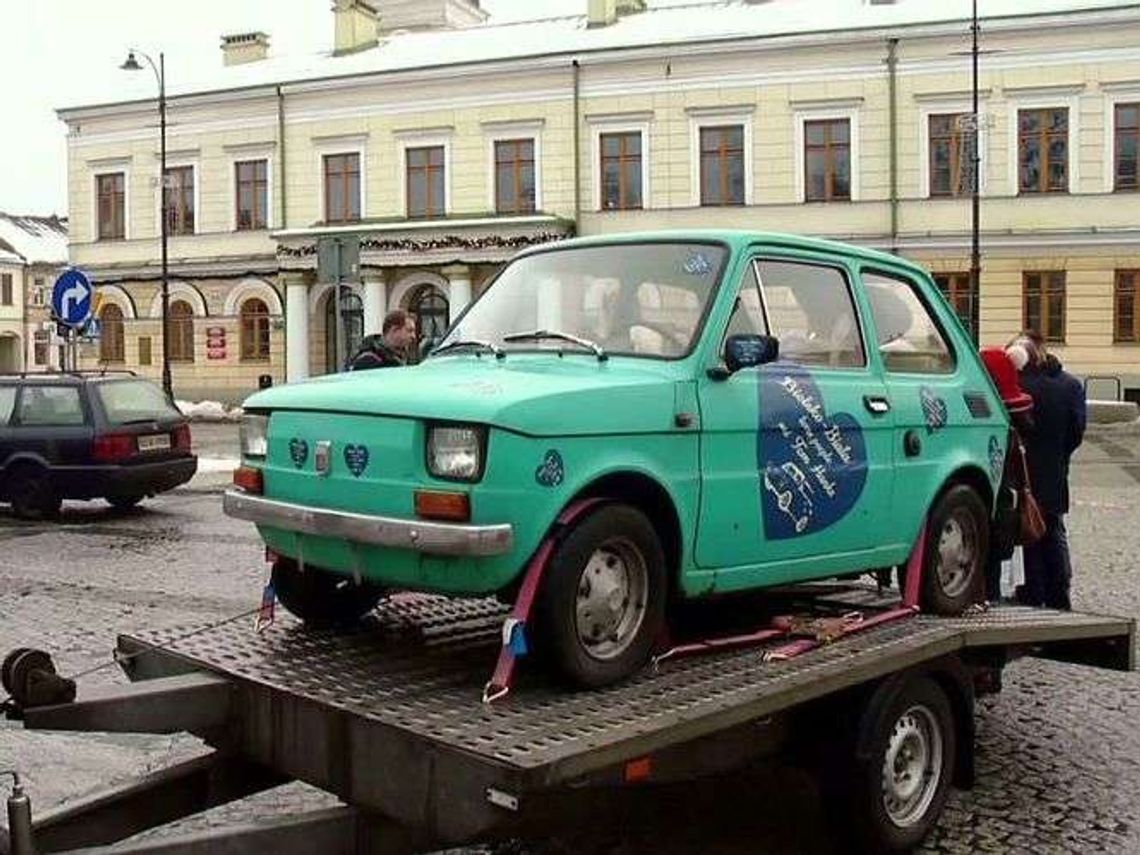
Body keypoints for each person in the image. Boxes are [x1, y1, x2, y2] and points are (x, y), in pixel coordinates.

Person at [1014, 333, 1086, 609]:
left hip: (1023, 470)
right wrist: (1060, 456)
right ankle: (1059, 592)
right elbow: (1077, 431)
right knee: (1053, 528)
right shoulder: (1070, 385)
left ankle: (1035, 590)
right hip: (1055, 467)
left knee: (1029, 529)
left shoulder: (1020, 386)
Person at [348, 310, 417, 371]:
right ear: (394, 330)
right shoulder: (368, 360)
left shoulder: (404, 357)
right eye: (409, 331)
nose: (413, 336)